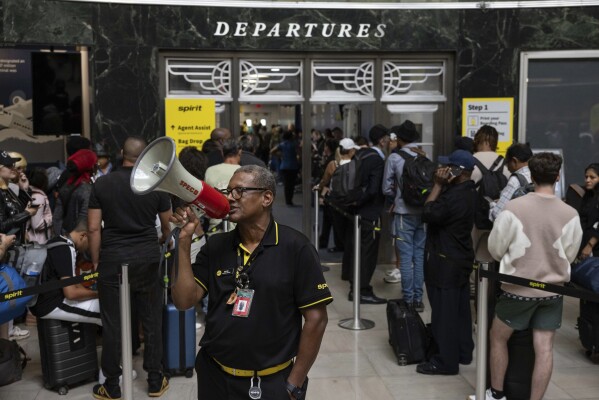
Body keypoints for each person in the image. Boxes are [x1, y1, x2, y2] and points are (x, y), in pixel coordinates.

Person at [170, 165, 332, 400]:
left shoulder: (296, 247)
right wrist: (184, 242)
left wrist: (294, 383)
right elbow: (184, 301)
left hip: (271, 382)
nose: (229, 198)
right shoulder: (216, 246)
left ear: (267, 197)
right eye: (228, 191)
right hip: (215, 376)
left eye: (239, 191)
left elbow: (316, 319)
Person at [486, 152, 582, 400]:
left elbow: (495, 249)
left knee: (498, 338)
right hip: (553, 290)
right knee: (545, 349)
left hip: (517, 289)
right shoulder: (571, 213)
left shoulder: (513, 208)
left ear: (532, 176)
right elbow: (569, 255)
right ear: (557, 176)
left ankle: (496, 394)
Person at [88, 136, 172, 399]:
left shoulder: (102, 183)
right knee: (152, 320)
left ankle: (111, 385)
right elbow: (167, 227)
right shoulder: (156, 184)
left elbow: (93, 228)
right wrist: (161, 240)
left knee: (112, 323)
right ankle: (155, 381)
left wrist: (95, 260)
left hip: (113, 259)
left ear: (121, 152)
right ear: (145, 155)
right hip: (147, 259)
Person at [417, 149, 477, 375]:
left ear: (458, 171)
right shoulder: (470, 191)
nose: (443, 169)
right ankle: (463, 351)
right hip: (461, 258)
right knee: (460, 309)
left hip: (445, 261)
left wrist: (438, 185)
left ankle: (445, 361)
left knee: (444, 313)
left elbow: (428, 213)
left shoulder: (452, 196)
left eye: (448, 166)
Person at [342, 124, 389, 304]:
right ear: (382, 140)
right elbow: (373, 190)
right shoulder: (376, 159)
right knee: (368, 253)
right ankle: (362, 290)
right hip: (370, 212)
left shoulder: (360, 154)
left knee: (357, 250)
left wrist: (354, 202)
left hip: (356, 212)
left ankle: (356, 286)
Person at [382, 121, 426, 311]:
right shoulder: (423, 155)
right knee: (419, 256)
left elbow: (385, 188)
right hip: (423, 214)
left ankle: (408, 299)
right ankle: (419, 299)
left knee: (406, 258)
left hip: (402, 214)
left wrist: (397, 196)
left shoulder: (394, 158)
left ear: (399, 139)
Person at [29, 218, 100, 325]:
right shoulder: (67, 249)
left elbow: (73, 282)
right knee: (105, 312)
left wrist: (89, 293)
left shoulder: (57, 241)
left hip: (42, 300)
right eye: (91, 242)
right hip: (50, 304)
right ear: (83, 236)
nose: (90, 247)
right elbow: (71, 293)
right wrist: (97, 294)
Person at [471, 125, 510, 263]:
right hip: (498, 216)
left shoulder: (470, 162)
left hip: (473, 217)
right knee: (493, 255)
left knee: (473, 253)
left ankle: (474, 282)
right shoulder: (505, 164)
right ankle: (489, 283)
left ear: (477, 140)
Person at [53, 149, 97, 236]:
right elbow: (84, 219)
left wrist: (62, 237)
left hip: (65, 236)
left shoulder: (66, 186)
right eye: (95, 164)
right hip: (81, 240)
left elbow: (56, 218)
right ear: (92, 167)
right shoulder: (87, 189)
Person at [205, 139, 242, 235]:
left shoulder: (210, 170)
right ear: (239, 152)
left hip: (214, 227)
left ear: (222, 152)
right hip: (239, 228)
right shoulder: (243, 172)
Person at [489, 143, 533, 221]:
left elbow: (497, 214)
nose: (507, 166)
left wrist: (493, 204)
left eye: (507, 162)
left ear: (514, 161)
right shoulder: (537, 174)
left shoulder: (516, 180)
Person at [576, 163, 599, 260]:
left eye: (592, 177)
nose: (588, 180)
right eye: (586, 177)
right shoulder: (588, 197)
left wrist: (590, 245)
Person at [271, 131, 300, 206]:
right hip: (293, 166)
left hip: (284, 166)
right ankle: (290, 200)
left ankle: (287, 200)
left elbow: (272, 151)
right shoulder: (294, 144)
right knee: (292, 184)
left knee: (286, 184)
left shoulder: (282, 145)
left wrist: (280, 155)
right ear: (290, 137)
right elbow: (299, 153)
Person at [25, 167, 53, 244]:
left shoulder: (32, 194)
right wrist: (51, 219)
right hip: (38, 241)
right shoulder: (38, 198)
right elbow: (36, 224)